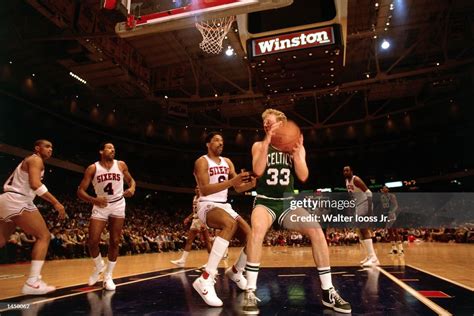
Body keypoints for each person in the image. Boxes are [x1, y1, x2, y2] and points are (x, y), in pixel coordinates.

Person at [243, 109, 351, 314]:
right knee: (256, 231)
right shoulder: (258, 145)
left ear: (282, 124)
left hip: (287, 202)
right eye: (264, 122)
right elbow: (257, 171)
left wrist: (298, 155)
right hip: (265, 201)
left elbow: (303, 176)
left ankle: (328, 291)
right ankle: (250, 290)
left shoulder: (293, 146)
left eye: (270, 121)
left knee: (317, 231)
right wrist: (267, 141)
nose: (266, 124)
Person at [192, 131, 256, 307]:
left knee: (252, 238)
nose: (221, 143)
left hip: (224, 205)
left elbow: (238, 187)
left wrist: (251, 184)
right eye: (216, 140)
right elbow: (204, 189)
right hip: (207, 204)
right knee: (230, 223)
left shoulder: (227, 162)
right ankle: (206, 278)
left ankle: (236, 271)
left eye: (222, 141)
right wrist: (232, 182)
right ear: (207, 143)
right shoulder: (202, 161)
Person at [0, 139, 66, 294]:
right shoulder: (36, 159)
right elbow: (35, 184)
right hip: (18, 199)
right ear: (37, 148)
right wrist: (56, 203)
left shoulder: (30, 160)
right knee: (44, 236)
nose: (50, 149)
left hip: (6, 199)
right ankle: (32, 282)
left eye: (52, 147)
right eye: (47, 146)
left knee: (1, 240)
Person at [77, 142, 136, 291]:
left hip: (118, 204)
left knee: (115, 241)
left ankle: (108, 276)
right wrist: (93, 199)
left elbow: (131, 181)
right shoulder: (93, 168)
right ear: (101, 151)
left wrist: (132, 188)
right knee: (92, 241)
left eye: (114, 148)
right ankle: (98, 266)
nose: (112, 150)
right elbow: (80, 191)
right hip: (100, 204)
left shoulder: (121, 165)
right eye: (109, 148)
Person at [343, 166, 380, 267]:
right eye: (344, 171)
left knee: (363, 229)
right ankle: (369, 256)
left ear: (351, 171)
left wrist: (369, 209)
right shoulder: (347, 181)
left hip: (365, 203)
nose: (345, 172)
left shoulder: (356, 179)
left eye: (347, 170)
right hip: (358, 205)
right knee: (359, 231)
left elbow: (369, 193)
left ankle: (374, 258)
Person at [171, 186, 212, 267]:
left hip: (202, 220)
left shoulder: (204, 198)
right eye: (196, 188)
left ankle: (211, 263)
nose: (197, 189)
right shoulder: (194, 198)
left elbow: (207, 211)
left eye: (198, 188)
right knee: (189, 240)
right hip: (195, 220)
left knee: (207, 242)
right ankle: (182, 260)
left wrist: (204, 222)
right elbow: (194, 211)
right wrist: (188, 218)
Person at [380, 185, 403, 254]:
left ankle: (401, 248)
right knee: (389, 232)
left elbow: (396, 205)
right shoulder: (382, 197)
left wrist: (392, 212)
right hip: (385, 214)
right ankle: (394, 249)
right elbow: (383, 207)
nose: (385, 189)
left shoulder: (392, 195)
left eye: (386, 188)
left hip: (391, 214)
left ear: (388, 189)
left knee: (395, 231)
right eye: (384, 188)